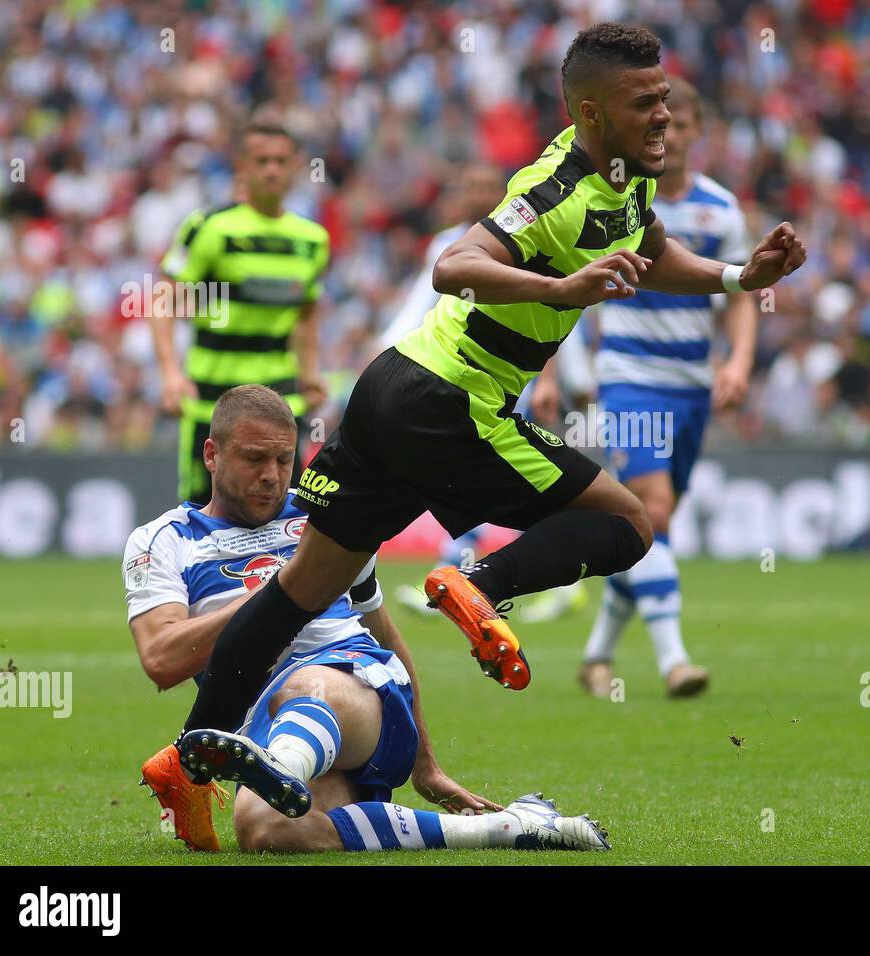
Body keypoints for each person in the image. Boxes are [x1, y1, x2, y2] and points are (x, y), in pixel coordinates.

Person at [153, 22, 806, 817]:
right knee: (629, 523)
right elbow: (453, 265)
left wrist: (740, 276)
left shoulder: (632, 179)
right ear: (592, 115)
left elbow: (651, 248)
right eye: (646, 103)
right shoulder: (556, 186)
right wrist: (561, 292)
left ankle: (187, 754)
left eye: (665, 97)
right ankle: (479, 583)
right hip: (450, 402)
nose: (665, 115)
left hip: (389, 391)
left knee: (299, 590)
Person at [134, 385, 608, 853]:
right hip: (265, 727)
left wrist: (426, 765)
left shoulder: (325, 518)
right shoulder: (165, 540)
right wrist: (281, 592)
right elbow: (162, 658)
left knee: (303, 687)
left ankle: (283, 765)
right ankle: (511, 827)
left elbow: (380, 628)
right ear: (212, 455)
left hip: (358, 688)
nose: (272, 476)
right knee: (266, 829)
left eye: (284, 460)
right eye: (255, 459)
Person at [571, 76, 758, 698]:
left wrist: (739, 362)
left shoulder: (720, 209)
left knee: (651, 526)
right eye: (660, 121)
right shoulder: (618, 202)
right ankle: (675, 660)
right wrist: (556, 372)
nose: (668, 132)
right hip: (628, 378)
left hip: (692, 386)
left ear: (696, 131)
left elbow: (741, 295)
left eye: (680, 123)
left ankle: (597, 655)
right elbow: (563, 281)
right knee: (651, 506)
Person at [381, 163, 589, 623]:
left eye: (483, 185)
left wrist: (553, 379)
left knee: (514, 483)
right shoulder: (448, 245)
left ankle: (476, 577)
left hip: (518, 377)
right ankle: (464, 575)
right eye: (468, 185)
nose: (476, 193)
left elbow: (550, 314)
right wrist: (389, 350)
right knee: (469, 478)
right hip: (460, 375)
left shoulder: (523, 233)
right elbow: (422, 303)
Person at [152, 119, 330, 505]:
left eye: (281, 161)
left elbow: (307, 311)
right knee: (203, 516)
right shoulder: (210, 227)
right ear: (242, 166)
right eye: (261, 160)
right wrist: (169, 373)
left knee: (286, 520)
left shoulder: (312, 239)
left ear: (296, 166)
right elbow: (163, 299)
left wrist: (310, 371)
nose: (271, 169)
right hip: (212, 402)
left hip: (281, 402)